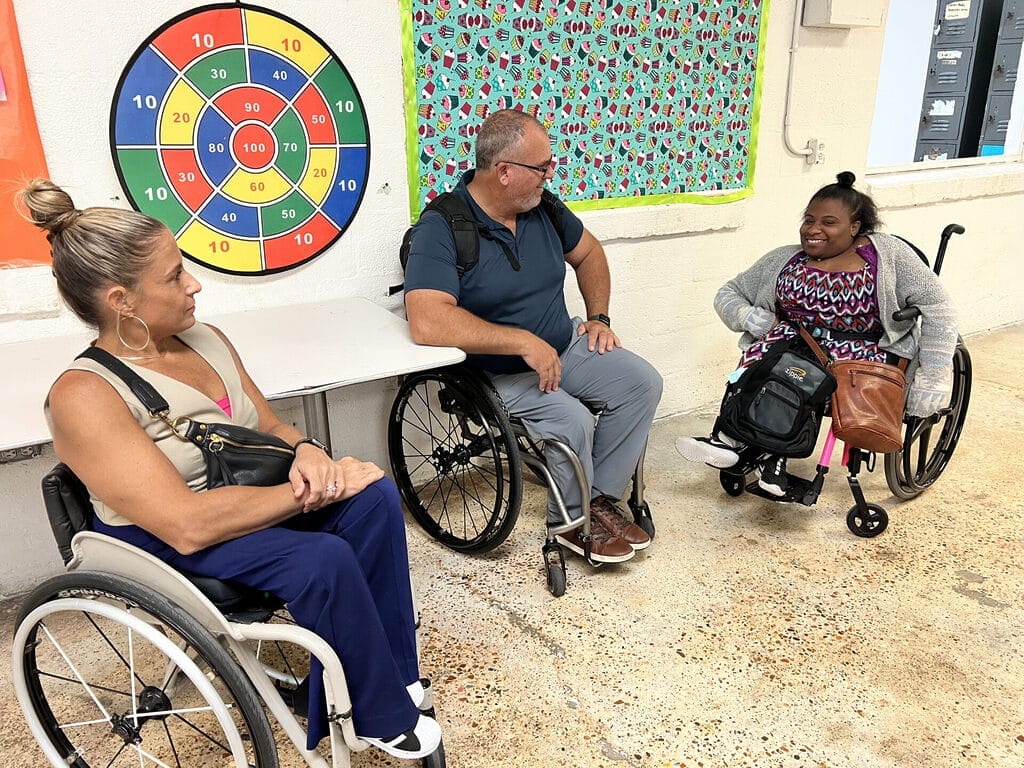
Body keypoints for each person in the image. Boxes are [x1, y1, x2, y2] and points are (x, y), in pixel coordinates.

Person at [21, 179, 441, 760]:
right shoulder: (84, 396)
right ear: (122, 300)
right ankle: (375, 712)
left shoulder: (205, 339)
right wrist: (310, 494)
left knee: (372, 500)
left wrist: (310, 454)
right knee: (322, 557)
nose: (194, 283)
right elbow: (186, 524)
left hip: (243, 498)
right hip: (166, 537)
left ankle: (391, 678)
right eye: (173, 276)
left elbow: (267, 428)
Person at [402, 108, 663, 563]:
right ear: (503, 172)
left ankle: (596, 500)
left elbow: (590, 254)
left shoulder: (544, 208)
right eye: (542, 167)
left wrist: (598, 317)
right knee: (573, 419)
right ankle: (570, 525)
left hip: (562, 348)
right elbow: (427, 320)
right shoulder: (443, 227)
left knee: (641, 383)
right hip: (493, 373)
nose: (551, 174)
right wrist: (521, 342)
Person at [676, 171, 958, 496]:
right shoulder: (786, 258)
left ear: (854, 227)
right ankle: (747, 449)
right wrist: (752, 318)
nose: (813, 229)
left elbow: (940, 308)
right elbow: (729, 292)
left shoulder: (889, 257)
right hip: (794, 345)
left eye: (828, 222)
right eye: (808, 220)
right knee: (765, 365)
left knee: (795, 376)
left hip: (862, 356)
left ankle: (740, 445)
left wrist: (935, 375)